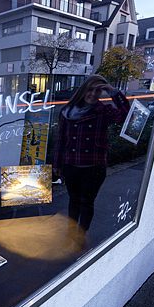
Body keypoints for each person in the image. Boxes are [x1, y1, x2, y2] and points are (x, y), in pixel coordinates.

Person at [52, 75, 130, 250]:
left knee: (87, 203)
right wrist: (56, 164)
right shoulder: (67, 111)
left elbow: (126, 116)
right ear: (83, 89)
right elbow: (60, 140)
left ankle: (80, 235)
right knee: (73, 201)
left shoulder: (104, 111)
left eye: (98, 90)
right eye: (90, 89)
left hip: (94, 166)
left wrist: (113, 92)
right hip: (72, 165)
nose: (93, 94)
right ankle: (70, 233)